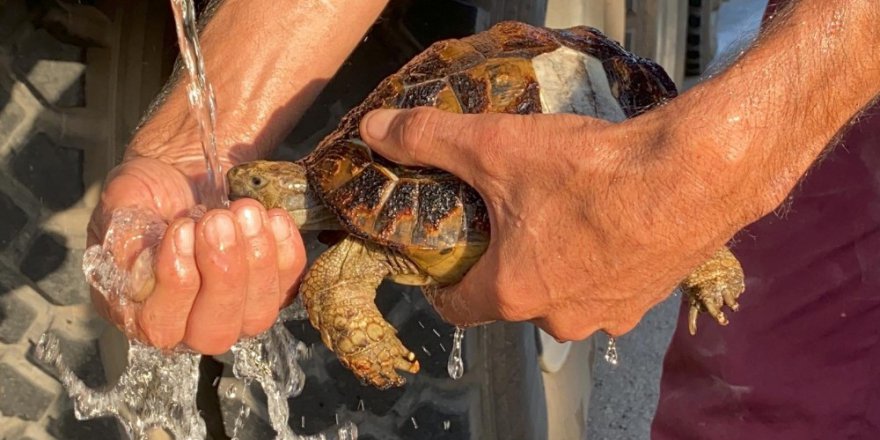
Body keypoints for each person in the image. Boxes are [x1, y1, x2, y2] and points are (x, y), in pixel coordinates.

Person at [89, 0, 879, 434]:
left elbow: (343, 282)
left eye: (255, 184)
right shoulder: (341, 201)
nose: (253, 192)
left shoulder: (350, 253)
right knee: (756, 387)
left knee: (781, 349)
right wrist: (200, 145)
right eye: (258, 185)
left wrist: (708, 177)